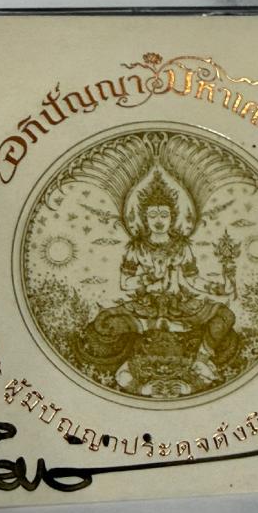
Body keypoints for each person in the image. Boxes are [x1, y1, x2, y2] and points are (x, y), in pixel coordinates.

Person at [72, 170, 241, 397]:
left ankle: (202, 357)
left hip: (179, 305)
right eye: (153, 215)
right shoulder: (137, 247)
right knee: (104, 323)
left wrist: (220, 287)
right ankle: (133, 363)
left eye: (164, 215)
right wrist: (149, 279)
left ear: (173, 217)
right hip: (146, 306)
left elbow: (193, 279)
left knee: (225, 316)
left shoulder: (182, 246)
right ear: (144, 218)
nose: (159, 221)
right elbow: (126, 283)